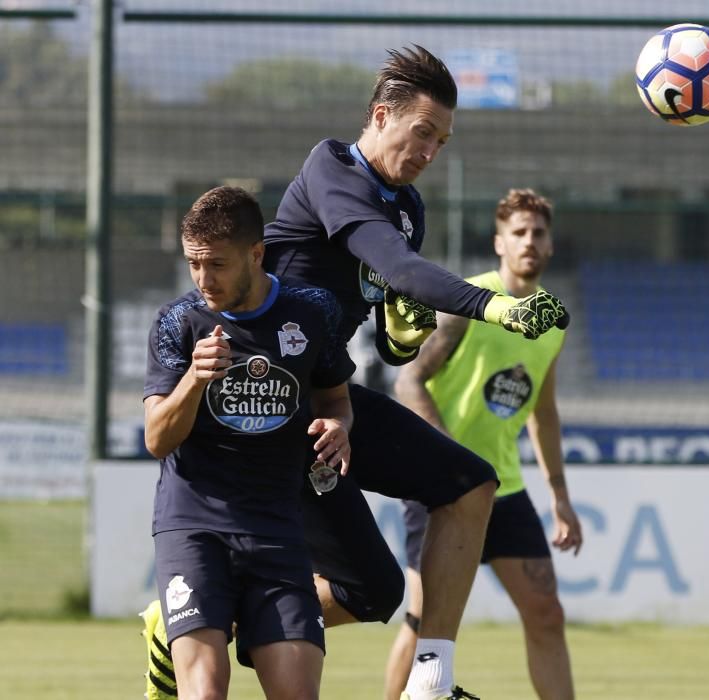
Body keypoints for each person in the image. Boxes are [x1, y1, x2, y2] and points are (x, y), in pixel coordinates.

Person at [142, 44, 569, 700]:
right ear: (380, 115)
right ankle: (189, 620)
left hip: (324, 406)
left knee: (435, 525)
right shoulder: (331, 168)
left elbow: (387, 322)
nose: (430, 152)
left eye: (443, 141)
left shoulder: (408, 209)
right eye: (422, 132)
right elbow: (399, 272)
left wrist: (403, 335)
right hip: (264, 404)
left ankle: (428, 678)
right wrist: (494, 306)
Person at [142, 185, 355, 700]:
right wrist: (195, 379)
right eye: (193, 263)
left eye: (215, 264)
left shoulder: (312, 312)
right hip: (194, 525)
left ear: (256, 254)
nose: (202, 279)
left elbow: (335, 398)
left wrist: (339, 427)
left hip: (277, 529)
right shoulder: (179, 322)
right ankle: (165, 635)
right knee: (206, 692)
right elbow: (156, 438)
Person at [383, 188, 583, 700]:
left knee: (546, 612)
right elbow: (408, 381)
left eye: (538, 233)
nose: (529, 242)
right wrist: (447, 459)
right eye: (519, 233)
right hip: (443, 490)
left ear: (551, 245)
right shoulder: (469, 302)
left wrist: (559, 496)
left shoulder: (551, 321)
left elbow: (542, 410)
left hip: (505, 489)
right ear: (500, 243)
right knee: (425, 619)